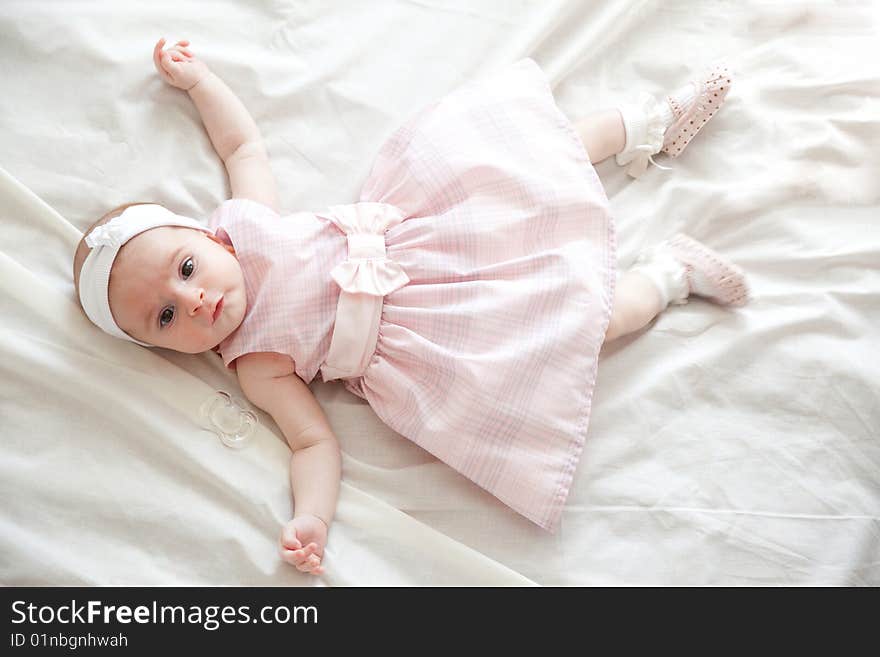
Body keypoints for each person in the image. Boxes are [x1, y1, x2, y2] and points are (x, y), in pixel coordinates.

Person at [73, 38, 748, 576]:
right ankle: (670, 274)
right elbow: (313, 442)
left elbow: (241, 144)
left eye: (185, 268)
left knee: (528, 156)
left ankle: (650, 122)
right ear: (165, 350)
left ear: (205, 235)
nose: (193, 300)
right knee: (577, 331)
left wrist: (200, 84)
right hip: (439, 336)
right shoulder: (256, 363)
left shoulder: (247, 224)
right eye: (165, 318)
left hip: (427, 227)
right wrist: (311, 517)